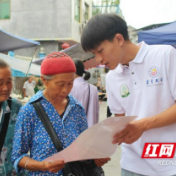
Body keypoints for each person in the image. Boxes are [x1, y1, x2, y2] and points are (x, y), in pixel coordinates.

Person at [81, 13, 176, 176]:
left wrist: (144, 125)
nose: (98, 59)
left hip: (167, 163)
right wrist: (104, 144)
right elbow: (121, 121)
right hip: (131, 165)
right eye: (94, 54)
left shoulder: (165, 55)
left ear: (118, 39)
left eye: (100, 51)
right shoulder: (112, 77)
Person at [12, 52, 110, 176]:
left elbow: (84, 148)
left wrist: (94, 157)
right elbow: (17, 156)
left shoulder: (77, 109)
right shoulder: (29, 111)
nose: (66, 90)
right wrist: (42, 166)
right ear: (44, 81)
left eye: (70, 83)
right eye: (60, 84)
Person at [0, 59, 26, 175]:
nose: (5, 88)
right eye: (0, 83)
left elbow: (23, 145)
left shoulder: (16, 107)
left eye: (9, 81)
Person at [70, 60, 99, 127]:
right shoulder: (93, 88)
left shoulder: (70, 88)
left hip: (76, 132)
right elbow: (96, 113)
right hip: (91, 131)